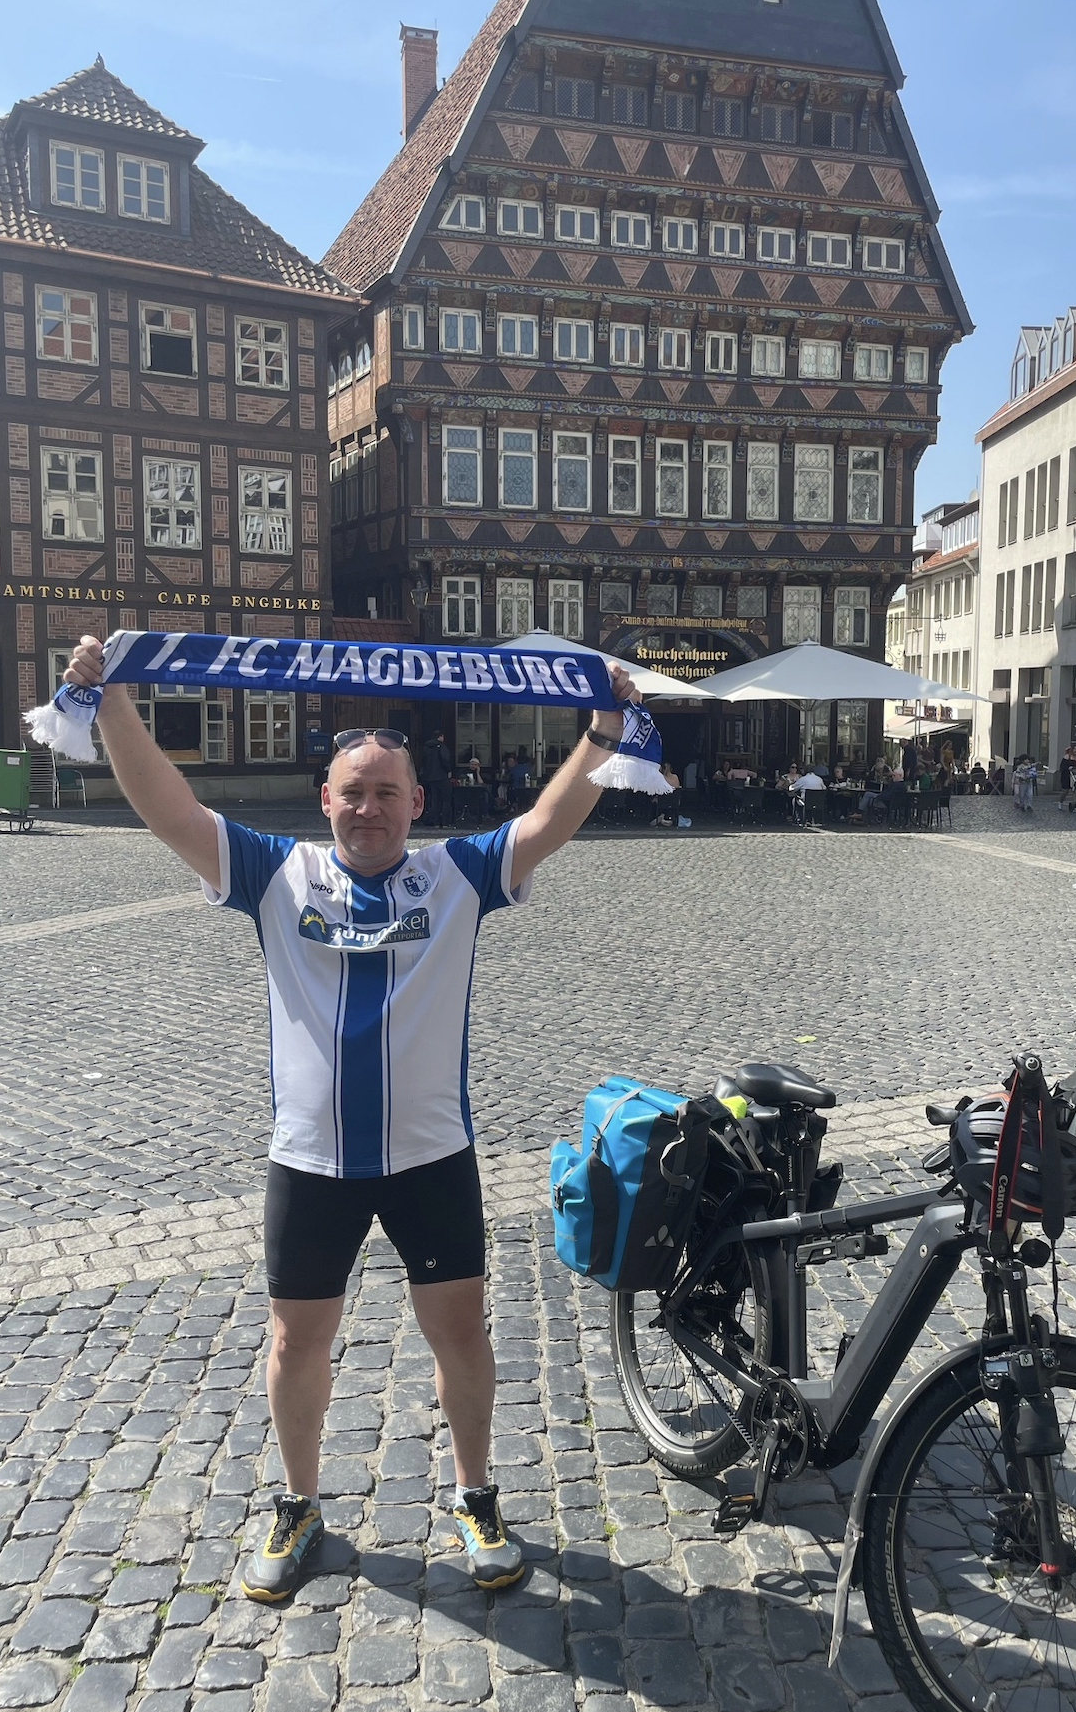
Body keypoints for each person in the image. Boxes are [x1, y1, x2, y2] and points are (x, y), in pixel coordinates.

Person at [59, 632, 642, 1603]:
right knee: (297, 1342)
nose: (368, 806)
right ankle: (297, 1504)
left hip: (430, 1159)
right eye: (351, 790)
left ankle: (475, 1493)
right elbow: (168, 805)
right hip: (310, 1163)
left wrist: (604, 731)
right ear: (324, 801)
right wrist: (111, 700)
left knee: (459, 1333)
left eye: (386, 791)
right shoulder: (275, 874)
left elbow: (549, 817)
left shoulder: (455, 876)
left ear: (418, 803)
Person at [418, 732, 452, 830]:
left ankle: (436, 822)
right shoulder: (441, 746)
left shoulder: (426, 747)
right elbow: (445, 760)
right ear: (440, 736)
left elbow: (423, 761)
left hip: (430, 777)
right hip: (442, 776)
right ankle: (445, 822)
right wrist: (448, 770)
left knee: (434, 800)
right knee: (446, 799)